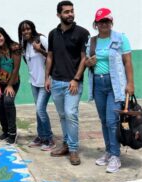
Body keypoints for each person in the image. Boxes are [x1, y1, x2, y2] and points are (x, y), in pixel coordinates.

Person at [85, 8, 134, 173]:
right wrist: (88, 63)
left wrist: (130, 84)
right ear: (96, 24)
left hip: (115, 85)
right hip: (98, 84)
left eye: (107, 21)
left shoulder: (120, 38)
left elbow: (127, 62)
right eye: (100, 21)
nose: (104, 24)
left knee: (112, 121)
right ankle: (108, 151)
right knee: (104, 120)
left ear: (111, 22)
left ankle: (115, 156)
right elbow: (87, 62)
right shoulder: (92, 42)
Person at [45, 1, 89, 165]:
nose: (70, 14)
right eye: (66, 12)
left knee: (71, 114)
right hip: (56, 81)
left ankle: (73, 149)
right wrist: (46, 77)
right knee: (62, 115)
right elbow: (50, 56)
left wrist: (76, 79)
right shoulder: (52, 34)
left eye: (72, 11)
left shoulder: (82, 33)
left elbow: (84, 58)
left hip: (73, 83)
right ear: (59, 15)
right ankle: (65, 144)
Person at [18, 20, 55, 151]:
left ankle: (49, 139)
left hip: (46, 81)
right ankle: (41, 136)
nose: (26, 31)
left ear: (32, 29)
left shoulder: (42, 40)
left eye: (28, 29)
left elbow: (53, 56)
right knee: (38, 110)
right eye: (23, 30)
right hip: (34, 82)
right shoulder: (24, 45)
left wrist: (40, 50)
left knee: (40, 109)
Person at [0, 27, 21, 144]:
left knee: (8, 102)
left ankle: (13, 133)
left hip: (12, 82)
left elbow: (16, 68)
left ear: (4, 35)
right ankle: (6, 131)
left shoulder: (15, 47)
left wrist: (10, 85)